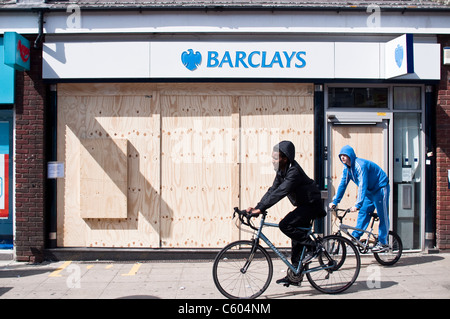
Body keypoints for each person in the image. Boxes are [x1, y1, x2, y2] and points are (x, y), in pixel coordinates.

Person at [247, 141, 326, 286]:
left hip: (312, 205)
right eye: (272, 157)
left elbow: (281, 192)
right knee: (296, 240)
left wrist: (261, 208)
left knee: (285, 225)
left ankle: (314, 246)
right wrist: (257, 208)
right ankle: (295, 275)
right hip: (304, 205)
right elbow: (272, 190)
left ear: (285, 158)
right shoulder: (281, 171)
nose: (273, 160)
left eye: (276, 158)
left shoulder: (293, 172)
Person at [329, 145, 390, 253]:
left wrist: (358, 204)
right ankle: (355, 238)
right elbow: (342, 185)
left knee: (382, 214)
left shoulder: (360, 165)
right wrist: (335, 201)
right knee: (363, 213)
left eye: (345, 155)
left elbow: (363, 184)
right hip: (369, 192)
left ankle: (383, 242)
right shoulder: (347, 169)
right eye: (341, 155)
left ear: (351, 156)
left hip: (380, 188)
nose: (342, 157)